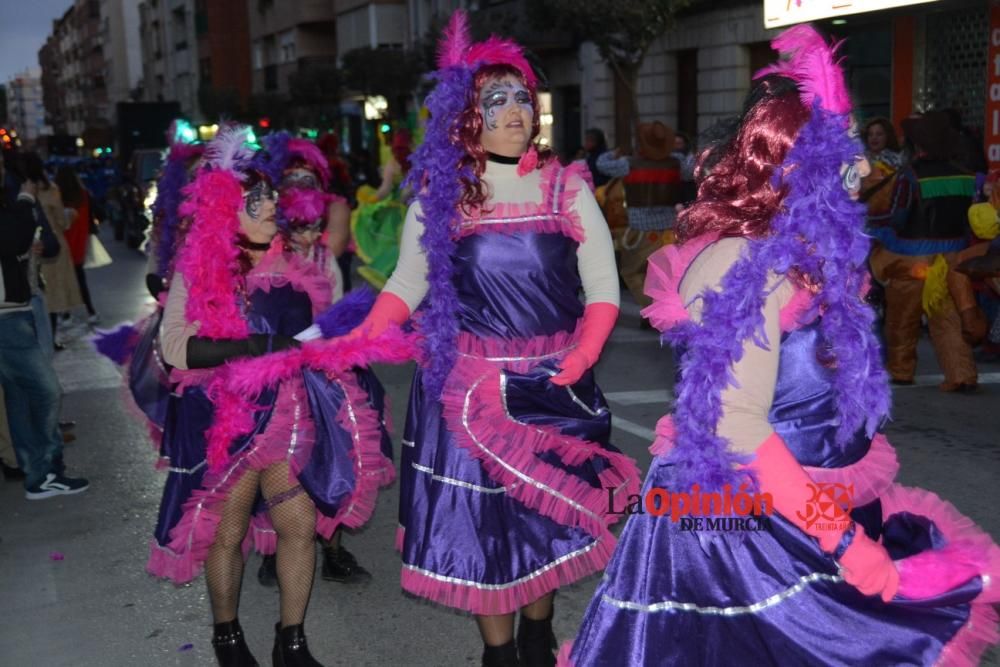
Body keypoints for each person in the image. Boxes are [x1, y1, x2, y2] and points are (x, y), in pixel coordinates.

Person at [562, 26, 1000, 667]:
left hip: (811, 497)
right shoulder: (747, 262)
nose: (861, 166)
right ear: (790, 166)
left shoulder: (809, 253)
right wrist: (845, 542)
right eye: (842, 151)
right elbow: (734, 422)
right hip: (745, 521)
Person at [341, 12, 640, 667]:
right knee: (485, 534)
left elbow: (603, 287)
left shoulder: (567, 186)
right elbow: (406, 285)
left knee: (542, 524)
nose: (514, 111)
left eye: (522, 98)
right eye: (494, 100)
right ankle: (498, 655)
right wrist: (359, 337)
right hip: (467, 395)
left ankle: (537, 636)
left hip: (550, 386)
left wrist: (583, 354)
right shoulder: (440, 200)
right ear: (465, 117)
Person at [149, 126, 403, 667]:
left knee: (299, 527)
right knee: (230, 531)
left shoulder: (302, 264)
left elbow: (325, 327)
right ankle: (228, 639)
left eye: (269, 197)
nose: (269, 206)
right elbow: (175, 348)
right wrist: (257, 345)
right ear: (224, 213)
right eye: (253, 200)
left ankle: (292, 643)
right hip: (231, 420)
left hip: (293, 416)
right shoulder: (198, 271)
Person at [252, 132, 389, 587]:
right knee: (279, 459)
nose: (311, 233)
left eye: (316, 225)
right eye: (299, 224)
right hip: (282, 368)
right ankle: (275, 549)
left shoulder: (323, 248)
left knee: (341, 453)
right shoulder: (264, 256)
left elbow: (337, 302)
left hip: (329, 361)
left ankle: (334, 549)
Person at [868, 111, 979, 391]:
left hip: (911, 259)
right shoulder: (966, 176)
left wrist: (869, 221)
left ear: (919, 145)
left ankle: (902, 370)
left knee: (902, 319)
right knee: (947, 318)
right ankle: (961, 374)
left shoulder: (910, 175)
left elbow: (897, 216)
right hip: (952, 260)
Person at [0, 178, 89, 500]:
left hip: (18, 307)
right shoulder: (19, 200)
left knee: (19, 396)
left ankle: (36, 475)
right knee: (46, 390)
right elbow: (11, 239)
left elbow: (40, 241)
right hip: (6, 316)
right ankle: (45, 471)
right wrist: (25, 198)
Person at [596, 121, 683, 314]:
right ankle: (660, 308)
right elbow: (695, 168)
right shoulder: (676, 162)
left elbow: (602, 164)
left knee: (631, 271)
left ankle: (652, 310)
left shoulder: (629, 165)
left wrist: (615, 152)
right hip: (670, 229)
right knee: (663, 274)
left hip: (640, 231)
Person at [22, 152, 83, 348]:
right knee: (53, 296)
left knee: (34, 294)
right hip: (53, 245)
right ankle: (51, 338)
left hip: (29, 247)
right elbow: (61, 221)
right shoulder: (51, 189)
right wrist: (70, 216)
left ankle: (38, 339)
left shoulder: (17, 190)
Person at [352, 130, 411, 289]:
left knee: (396, 246)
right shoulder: (422, 161)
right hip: (416, 209)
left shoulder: (393, 163)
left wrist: (369, 200)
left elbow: (384, 190)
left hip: (397, 213)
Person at [55, 164, 100, 323]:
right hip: (80, 242)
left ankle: (66, 313)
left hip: (63, 243)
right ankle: (90, 311)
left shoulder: (58, 196)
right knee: (80, 279)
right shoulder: (83, 195)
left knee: (65, 280)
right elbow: (89, 219)